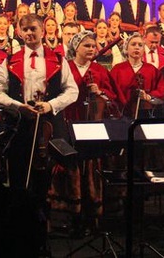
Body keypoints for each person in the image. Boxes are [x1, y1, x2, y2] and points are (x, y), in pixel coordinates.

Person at [2, 13, 78, 251]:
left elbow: (71, 91)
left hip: (48, 127)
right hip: (20, 127)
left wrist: (51, 105)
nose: (29, 33)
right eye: (24, 29)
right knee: (20, 178)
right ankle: (20, 234)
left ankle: (43, 232)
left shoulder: (57, 58)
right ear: (19, 32)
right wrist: (18, 107)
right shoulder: (11, 59)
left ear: (43, 31)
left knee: (45, 180)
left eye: (33, 29)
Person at [52, 31, 115, 236]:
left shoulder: (99, 70)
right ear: (76, 47)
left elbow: (112, 97)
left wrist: (100, 92)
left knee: (92, 171)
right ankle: (73, 217)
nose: (91, 49)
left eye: (93, 46)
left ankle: (92, 217)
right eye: (86, 45)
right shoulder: (66, 68)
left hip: (92, 127)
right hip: (70, 125)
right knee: (72, 170)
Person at [111, 33, 164, 118]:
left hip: (146, 116)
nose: (137, 47)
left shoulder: (152, 70)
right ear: (126, 48)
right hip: (121, 116)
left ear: (143, 49)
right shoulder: (117, 69)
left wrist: (148, 96)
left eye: (140, 45)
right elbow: (111, 92)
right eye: (133, 44)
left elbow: (162, 90)